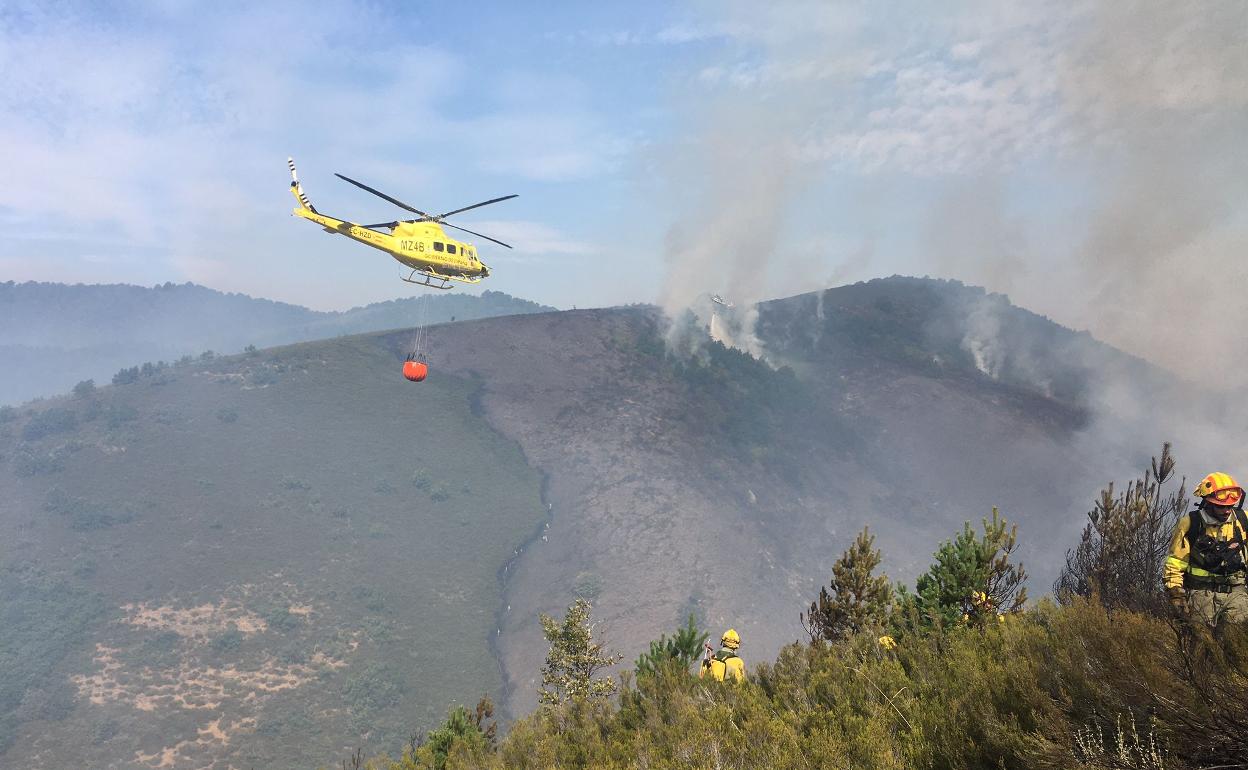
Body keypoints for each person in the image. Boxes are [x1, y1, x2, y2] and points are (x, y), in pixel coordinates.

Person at [1165, 472, 1248, 627]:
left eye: (1230, 506)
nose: (1227, 511)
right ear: (1208, 502)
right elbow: (1175, 562)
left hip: (1236, 595)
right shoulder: (1191, 523)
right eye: (1221, 506)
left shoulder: (1243, 521)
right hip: (1200, 597)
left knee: (1237, 643)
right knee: (1201, 644)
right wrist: (1176, 595)